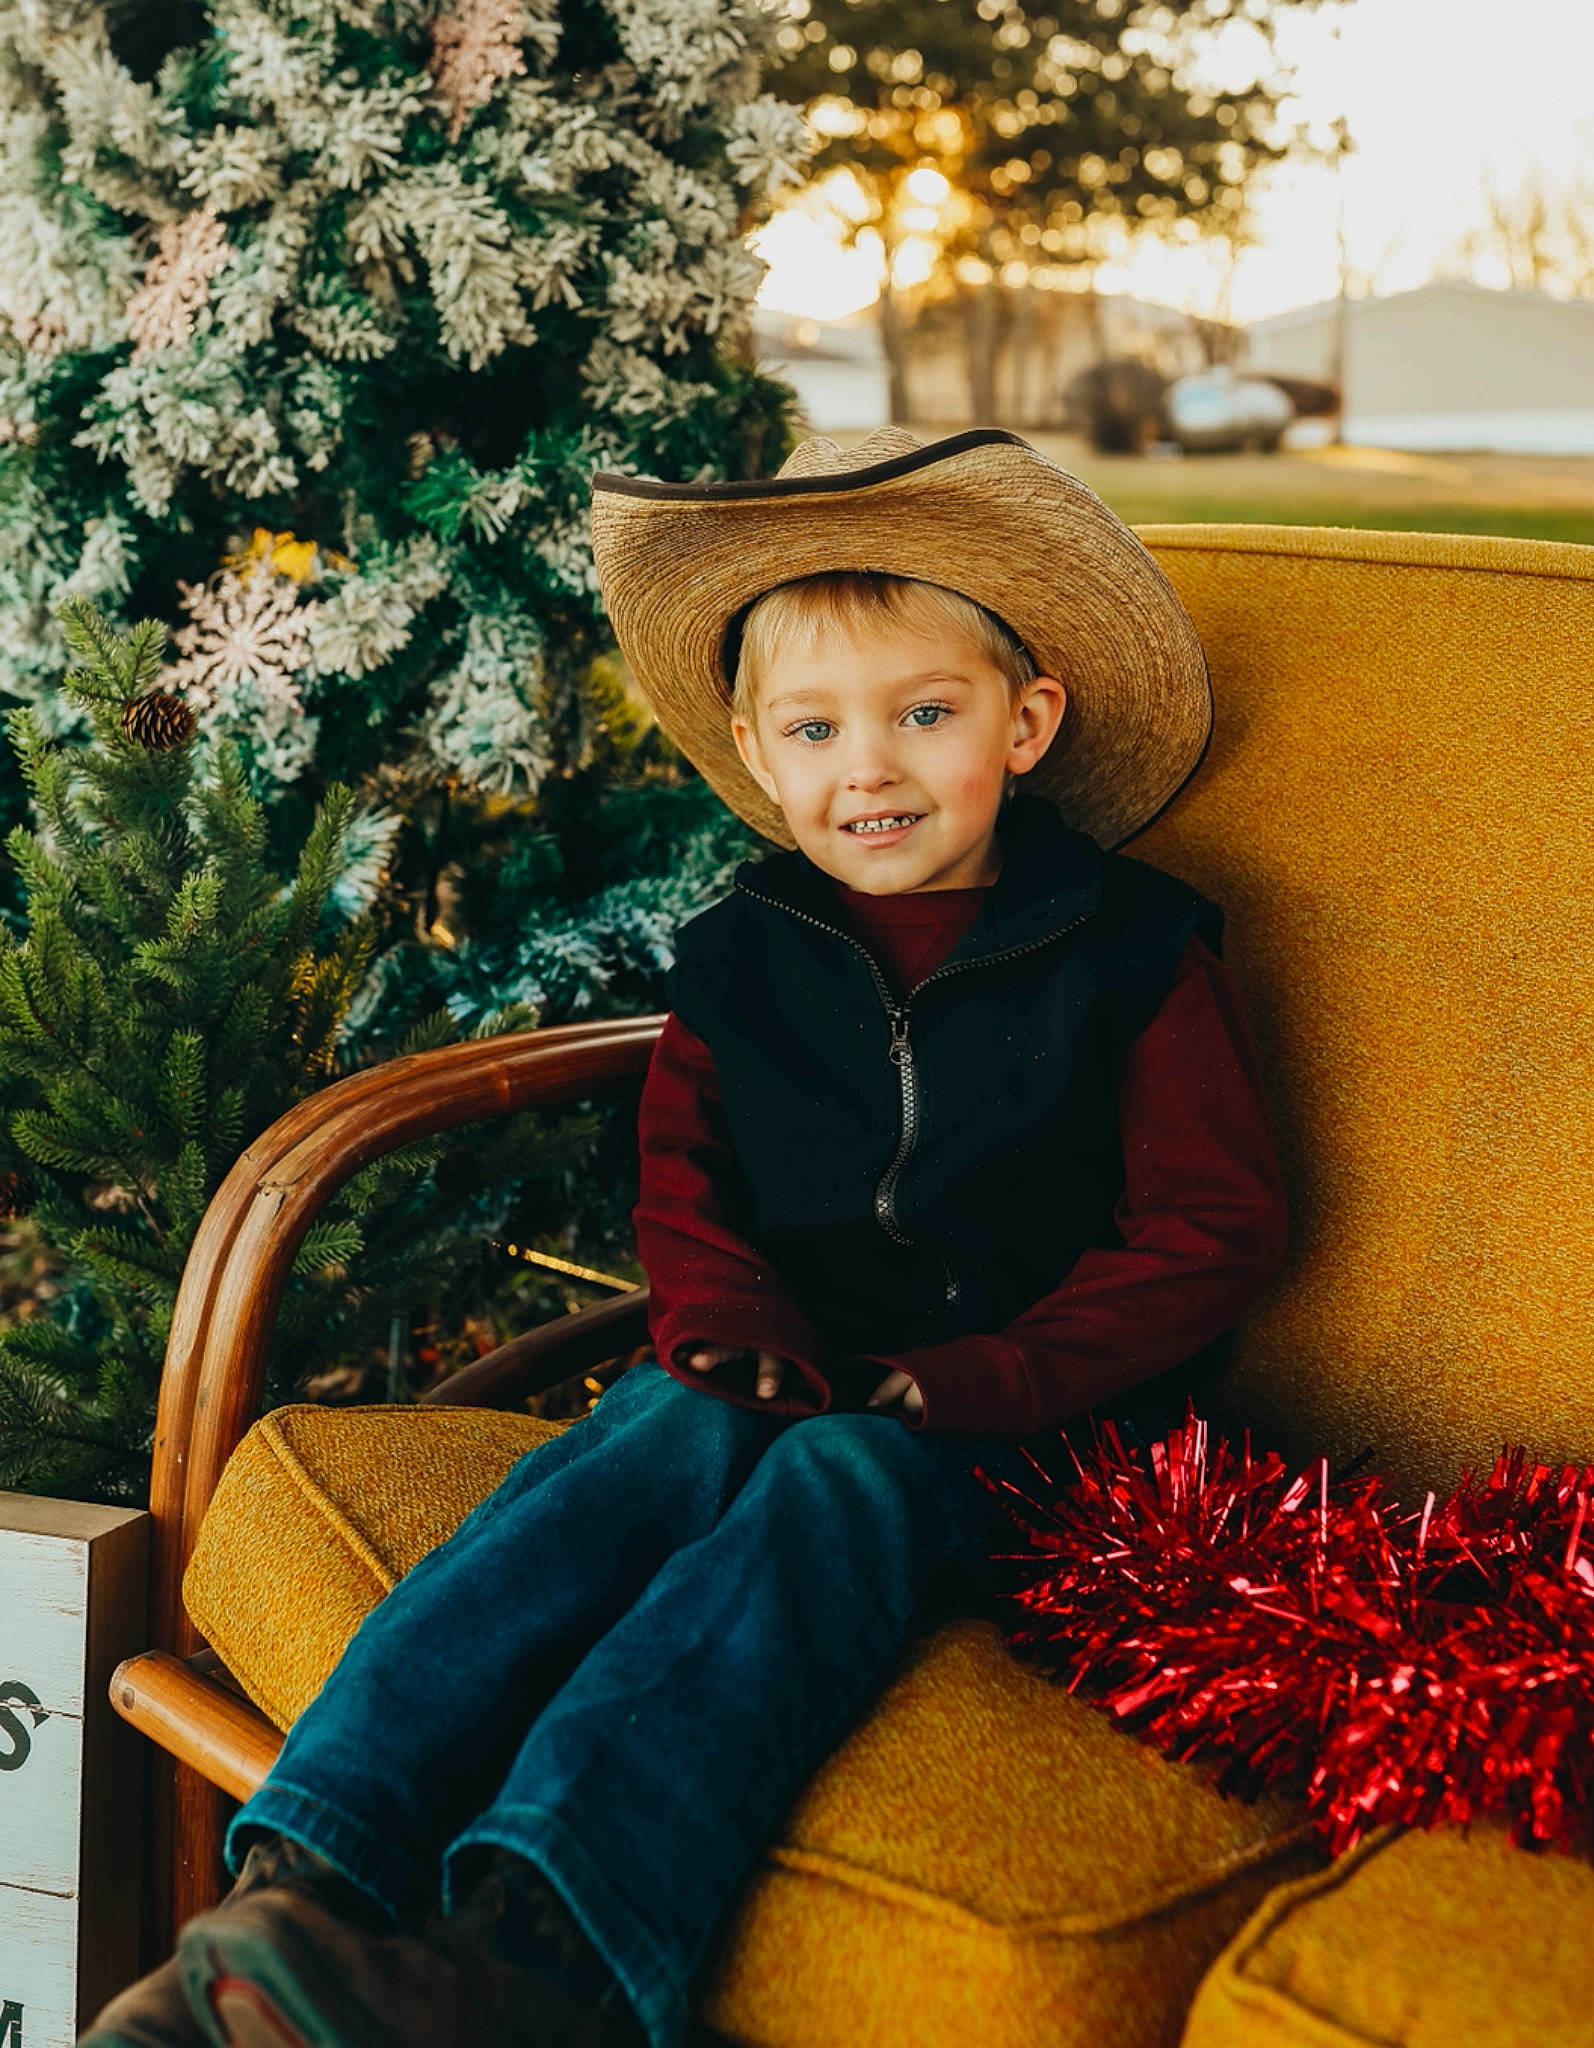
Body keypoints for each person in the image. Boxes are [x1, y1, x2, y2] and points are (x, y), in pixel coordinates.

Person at [83, 427, 1288, 2048]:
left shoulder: (1132, 954)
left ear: (1025, 721)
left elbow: (1214, 1229)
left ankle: (529, 1956)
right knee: (648, 1440)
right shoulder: (744, 953)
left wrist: (983, 1376)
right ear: (757, 750)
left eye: (924, 715)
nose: (871, 768)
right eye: (817, 728)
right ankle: (297, 1895)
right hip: (779, 1357)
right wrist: (731, 1331)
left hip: (1036, 1426)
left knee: (836, 1479)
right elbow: (689, 1190)